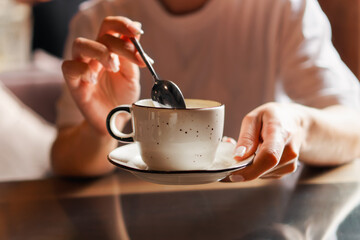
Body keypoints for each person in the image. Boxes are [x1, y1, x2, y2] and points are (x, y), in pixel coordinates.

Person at [51, 0, 360, 181]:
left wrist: (297, 124)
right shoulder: (100, 21)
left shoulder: (282, 8)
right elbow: (65, 161)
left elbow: (353, 126)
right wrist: (106, 128)